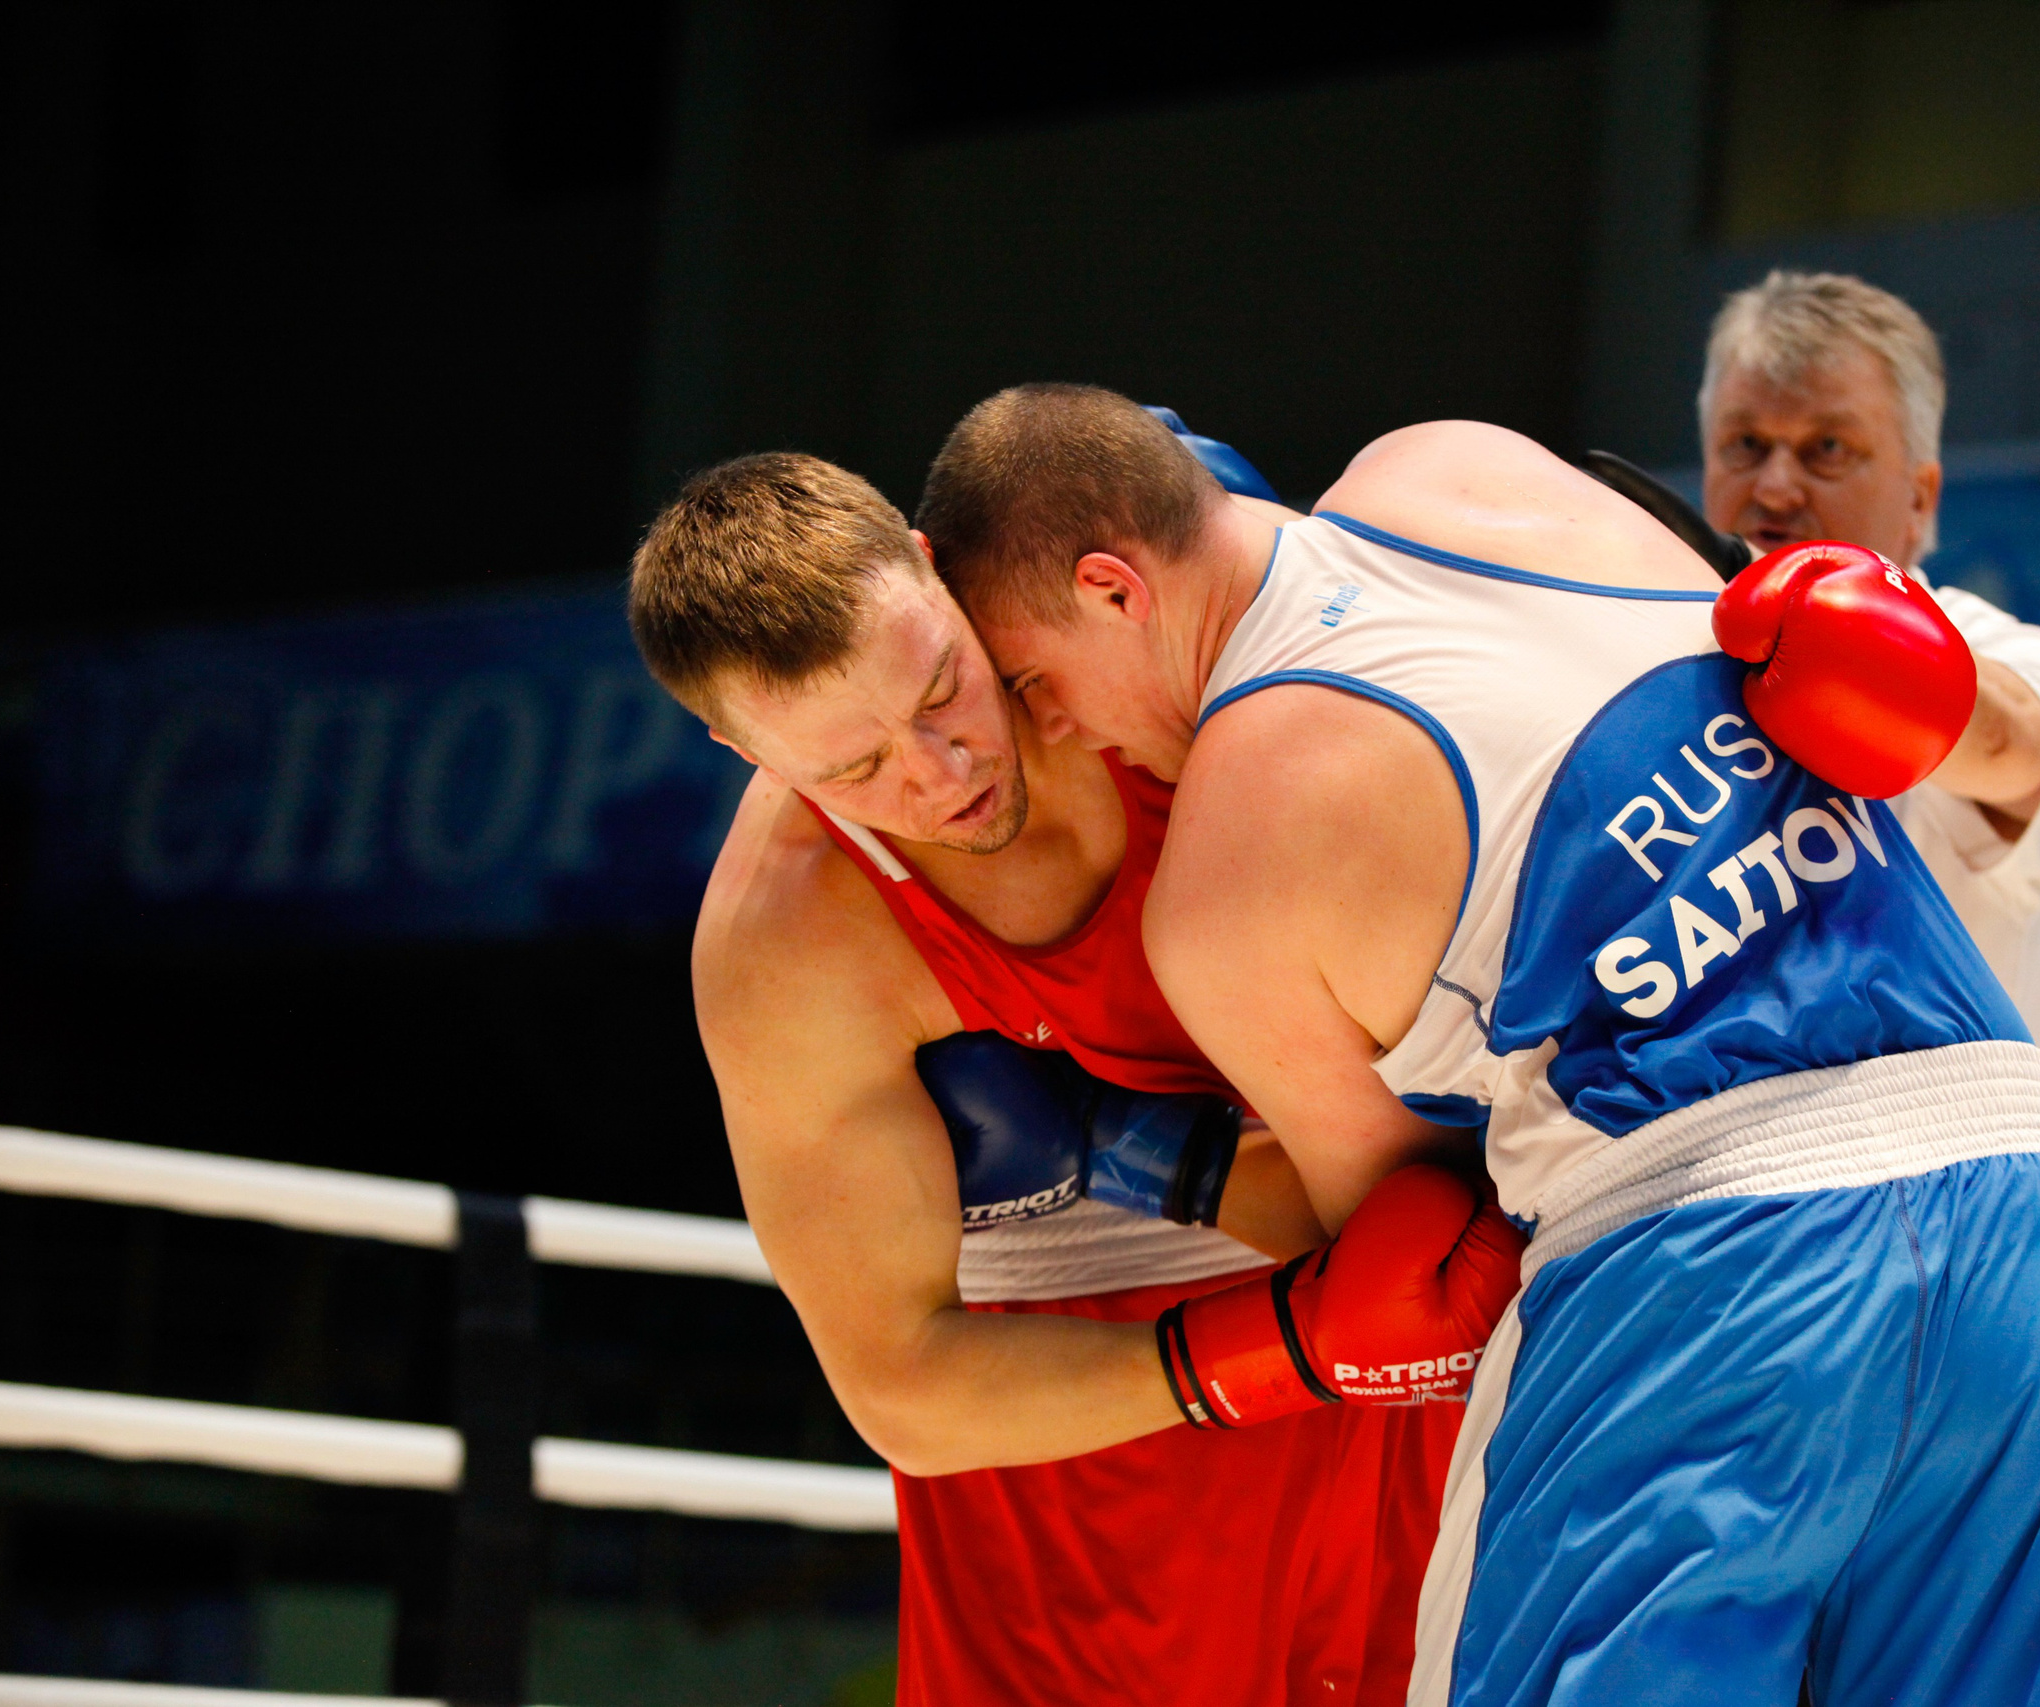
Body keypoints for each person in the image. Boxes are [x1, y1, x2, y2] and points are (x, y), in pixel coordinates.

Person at [919, 383, 2040, 1706]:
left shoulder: (1225, 877)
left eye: (1030, 678)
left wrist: (1145, 1157)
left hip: (1697, 1269)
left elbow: (1438, 1248)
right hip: (2035, 1222)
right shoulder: (1453, 463)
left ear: (1116, 587)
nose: (1049, 726)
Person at [626, 442, 1514, 1707]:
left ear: (939, 574)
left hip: (1425, 1317)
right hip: (1097, 1449)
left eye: (941, 691)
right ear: (735, 745)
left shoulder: (1149, 637)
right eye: (854, 768)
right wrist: (1284, 1345)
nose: (942, 773)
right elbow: (905, 1388)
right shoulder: (799, 940)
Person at [1699, 271, 2040, 1043]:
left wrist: (1848, 643)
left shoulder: (2020, 657)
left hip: (1948, 1158)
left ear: (1920, 498)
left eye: (1826, 448)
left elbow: (2011, 737)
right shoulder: (1649, 681)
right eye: (1747, 445)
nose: (1776, 487)